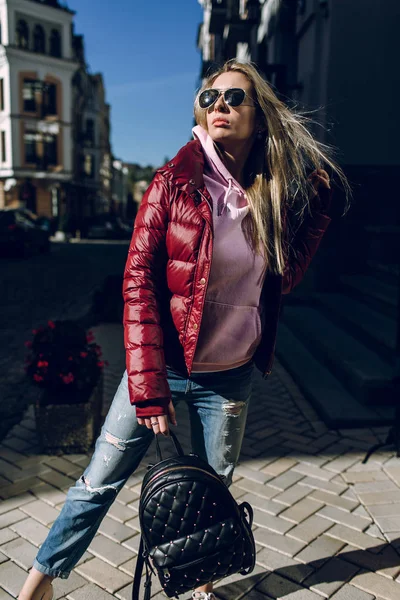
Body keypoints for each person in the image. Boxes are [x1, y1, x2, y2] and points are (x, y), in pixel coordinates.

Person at [19, 60, 348, 600]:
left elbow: (279, 283)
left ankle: (200, 584)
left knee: (212, 495)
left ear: (260, 116)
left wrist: (315, 215)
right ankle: (41, 581)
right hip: (162, 370)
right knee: (97, 482)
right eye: (210, 96)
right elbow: (138, 285)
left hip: (230, 377)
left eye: (234, 98)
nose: (219, 105)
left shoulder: (269, 194)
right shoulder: (174, 182)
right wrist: (147, 387)